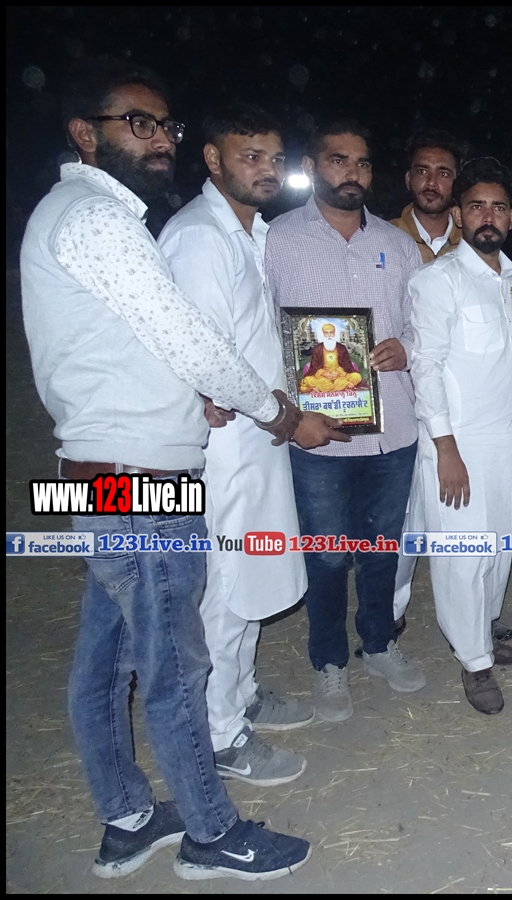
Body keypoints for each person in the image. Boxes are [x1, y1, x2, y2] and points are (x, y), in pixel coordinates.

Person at [21, 58, 309, 881]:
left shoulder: (86, 216)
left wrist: (197, 399)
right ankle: (212, 835)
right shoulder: (96, 218)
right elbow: (188, 337)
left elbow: (138, 349)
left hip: (110, 468)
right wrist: (275, 410)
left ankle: (128, 818)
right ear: (85, 133)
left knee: (107, 657)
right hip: (135, 476)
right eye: (138, 123)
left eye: (165, 126)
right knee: (175, 663)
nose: (159, 140)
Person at [158, 102, 349, 789]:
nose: (266, 170)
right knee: (224, 588)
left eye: (273, 158)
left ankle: (239, 695)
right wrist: (290, 420)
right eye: (250, 156)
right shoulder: (199, 238)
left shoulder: (251, 233)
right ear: (212, 159)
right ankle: (218, 735)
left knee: (250, 577)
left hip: (257, 438)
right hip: (224, 449)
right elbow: (209, 358)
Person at [265, 119, 426, 723]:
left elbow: (422, 322)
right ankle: (329, 662)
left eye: (361, 162)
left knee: (382, 549)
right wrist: (286, 410)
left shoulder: (396, 244)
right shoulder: (277, 240)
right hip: (317, 431)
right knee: (329, 554)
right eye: (338, 160)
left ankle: (379, 645)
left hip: (392, 430)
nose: (352, 172)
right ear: (312, 167)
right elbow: (262, 330)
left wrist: (407, 347)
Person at [408, 157, 512, 715]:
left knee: (500, 546)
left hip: (503, 443)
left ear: (511, 217)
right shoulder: (438, 281)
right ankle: (474, 662)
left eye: (499, 207)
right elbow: (425, 367)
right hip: (455, 445)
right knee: (463, 557)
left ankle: (482, 632)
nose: (489, 215)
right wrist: (445, 449)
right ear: (459, 215)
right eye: (477, 206)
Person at [390, 128, 464, 263]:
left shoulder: (471, 243)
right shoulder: (386, 237)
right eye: (422, 171)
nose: (431, 183)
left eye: (443, 174)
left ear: (458, 183)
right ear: (408, 179)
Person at [299, 322, 364, 392]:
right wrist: (324, 373)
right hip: (323, 377)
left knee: (356, 376)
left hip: (340, 376)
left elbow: (346, 363)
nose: (329, 335)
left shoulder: (341, 348)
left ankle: (325, 388)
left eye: (331, 332)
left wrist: (338, 372)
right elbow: (315, 365)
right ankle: (342, 385)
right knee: (307, 380)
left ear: (334, 333)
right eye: (326, 333)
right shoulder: (318, 349)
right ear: (323, 334)